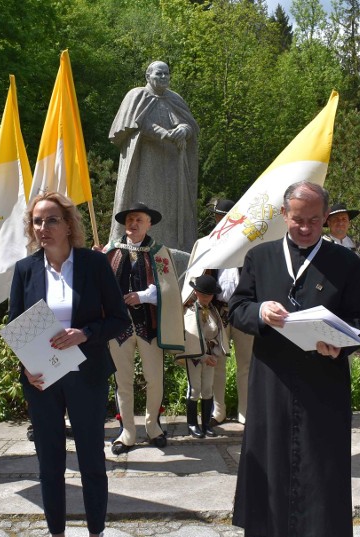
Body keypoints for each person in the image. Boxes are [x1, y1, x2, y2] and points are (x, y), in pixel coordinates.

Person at [229, 181, 360, 537]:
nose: (305, 227)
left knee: (320, 464)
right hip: (272, 376)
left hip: (323, 378)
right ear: (284, 216)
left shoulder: (345, 262)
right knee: (274, 459)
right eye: (297, 219)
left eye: (313, 220)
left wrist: (342, 343)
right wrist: (259, 312)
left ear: (325, 217)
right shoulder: (260, 257)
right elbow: (237, 308)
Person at [9, 192, 130, 537]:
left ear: (68, 225)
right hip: (42, 378)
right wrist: (25, 367)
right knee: (49, 461)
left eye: (51, 220)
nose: (43, 228)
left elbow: (119, 320)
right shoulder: (25, 270)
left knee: (92, 458)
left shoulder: (94, 264)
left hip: (87, 374)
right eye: (37, 221)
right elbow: (16, 325)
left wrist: (85, 333)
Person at [103, 202, 184, 455]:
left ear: (149, 223)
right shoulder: (110, 250)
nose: (133, 224)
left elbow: (170, 290)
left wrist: (145, 296)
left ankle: (153, 426)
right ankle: (127, 432)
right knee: (122, 381)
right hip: (119, 328)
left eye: (138, 219)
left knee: (154, 379)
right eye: (129, 220)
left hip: (148, 326)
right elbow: (98, 286)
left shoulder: (160, 252)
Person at [109, 61, 200, 253]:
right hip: (145, 165)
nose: (164, 77)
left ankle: (174, 249)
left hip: (172, 169)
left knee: (171, 212)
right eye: (159, 74)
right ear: (148, 76)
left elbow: (189, 125)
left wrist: (184, 130)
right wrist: (163, 133)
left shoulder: (175, 99)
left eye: (167, 74)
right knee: (143, 204)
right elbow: (134, 124)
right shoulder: (137, 95)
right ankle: (136, 245)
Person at [183, 198, 252, 424]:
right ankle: (218, 411)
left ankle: (244, 411)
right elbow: (194, 277)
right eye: (219, 216)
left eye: (227, 216)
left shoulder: (249, 244)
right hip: (216, 310)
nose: (222, 220)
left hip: (243, 308)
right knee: (216, 362)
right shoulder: (205, 244)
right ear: (215, 218)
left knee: (246, 362)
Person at [176, 274, 229, 438]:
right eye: (203, 294)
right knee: (195, 388)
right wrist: (202, 355)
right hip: (195, 356)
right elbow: (191, 334)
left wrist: (215, 352)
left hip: (210, 355)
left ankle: (206, 424)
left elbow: (217, 332)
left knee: (207, 388)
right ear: (196, 292)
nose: (207, 297)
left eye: (210, 294)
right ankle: (192, 424)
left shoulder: (213, 311)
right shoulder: (190, 311)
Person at [324, 202, 360, 280]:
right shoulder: (321, 245)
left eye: (344, 219)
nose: (341, 222)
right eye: (336, 219)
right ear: (329, 223)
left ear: (349, 222)